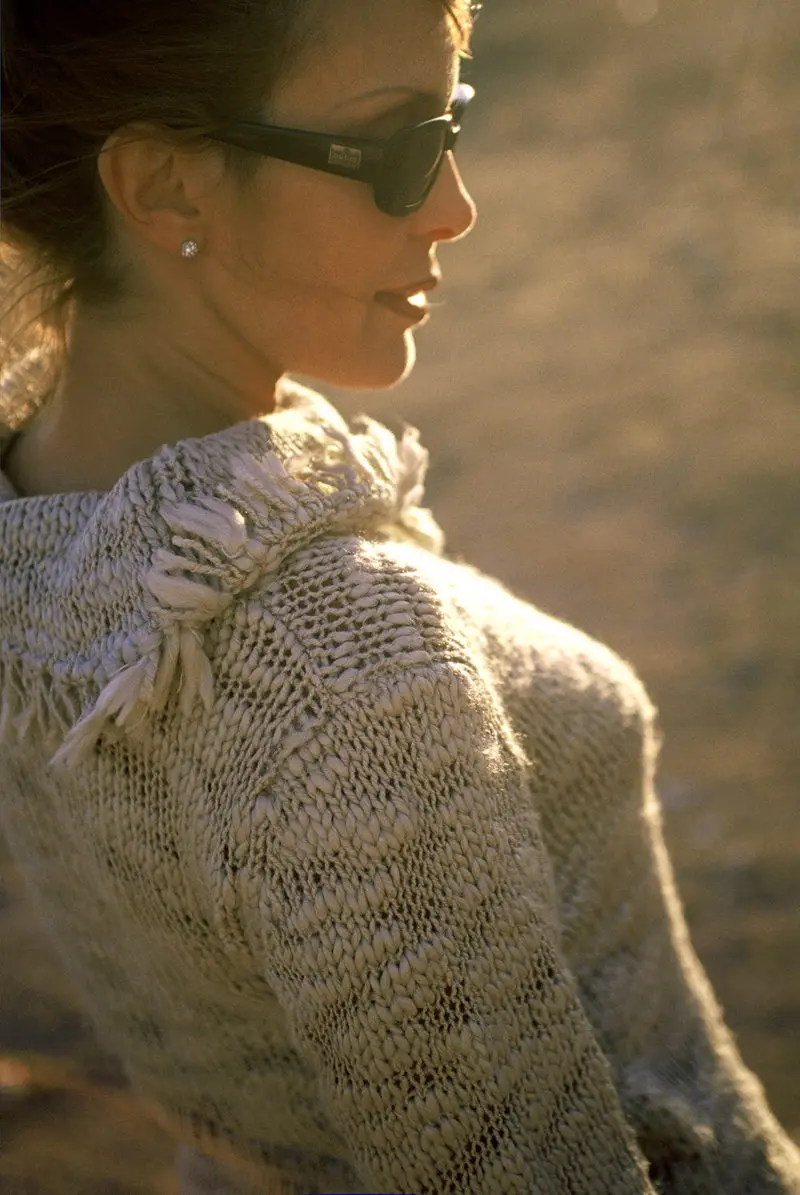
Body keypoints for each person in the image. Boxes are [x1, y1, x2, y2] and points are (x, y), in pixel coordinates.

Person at [0, 0, 798, 1192]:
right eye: (397, 146)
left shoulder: (38, 528)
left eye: (453, 120)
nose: (455, 206)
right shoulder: (344, 662)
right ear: (166, 186)